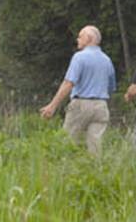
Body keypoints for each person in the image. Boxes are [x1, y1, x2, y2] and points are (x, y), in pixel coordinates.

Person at [39, 25, 116, 154]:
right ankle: (95, 170)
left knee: (68, 142)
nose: (77, 39)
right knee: (95, 147)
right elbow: (111, 87)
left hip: (81, 104)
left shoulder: (79, 57)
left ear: (89, 38)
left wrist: (52, 106)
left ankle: (65, 170)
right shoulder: (107, 60)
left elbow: (68, 83)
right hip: (101, 106)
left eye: (80, 36)